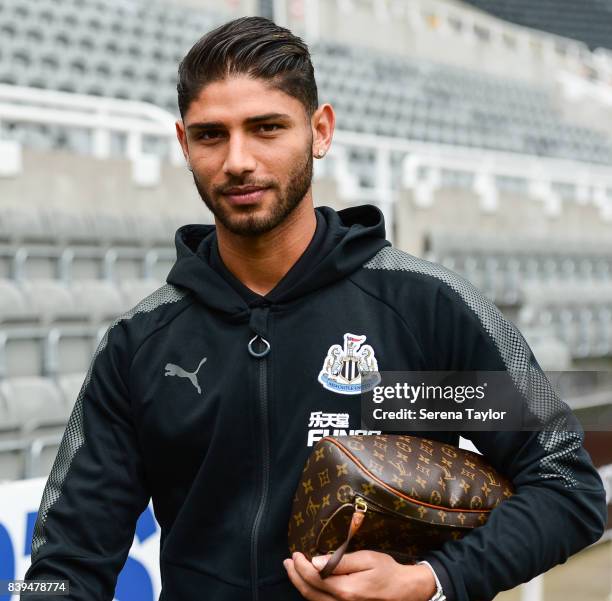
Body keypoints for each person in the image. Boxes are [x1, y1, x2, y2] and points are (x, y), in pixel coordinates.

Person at [22, 15, 607, 601]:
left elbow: (564, 485)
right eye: (210, 135)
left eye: (267, 127)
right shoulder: (141, 344)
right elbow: (65, 564)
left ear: (320, 131)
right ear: (183, 144)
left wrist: (433, 581)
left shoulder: (423, 309)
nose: (238, 161)